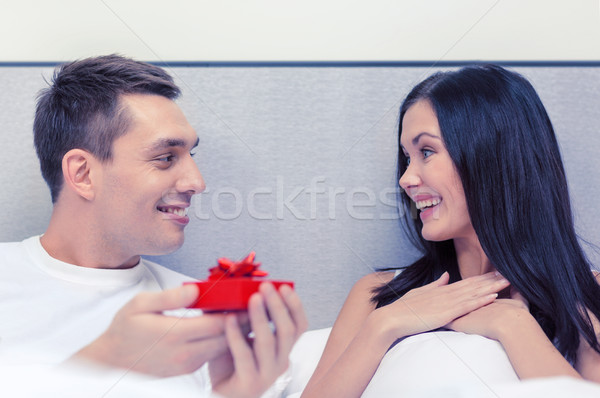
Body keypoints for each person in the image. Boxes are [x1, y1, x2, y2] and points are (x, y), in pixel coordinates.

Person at [0, 54, 307, 397]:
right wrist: (102, 361)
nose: (197, 182)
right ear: (83, 174)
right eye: (165, 158)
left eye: (191, 156)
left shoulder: (207, 325)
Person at [300, 64, 600, 398]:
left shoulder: (584, 294)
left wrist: (512, 325)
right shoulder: (378, 295)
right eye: (407, 157)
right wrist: (384, 325)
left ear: (490, 155)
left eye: (426, 151)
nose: (406, 178)